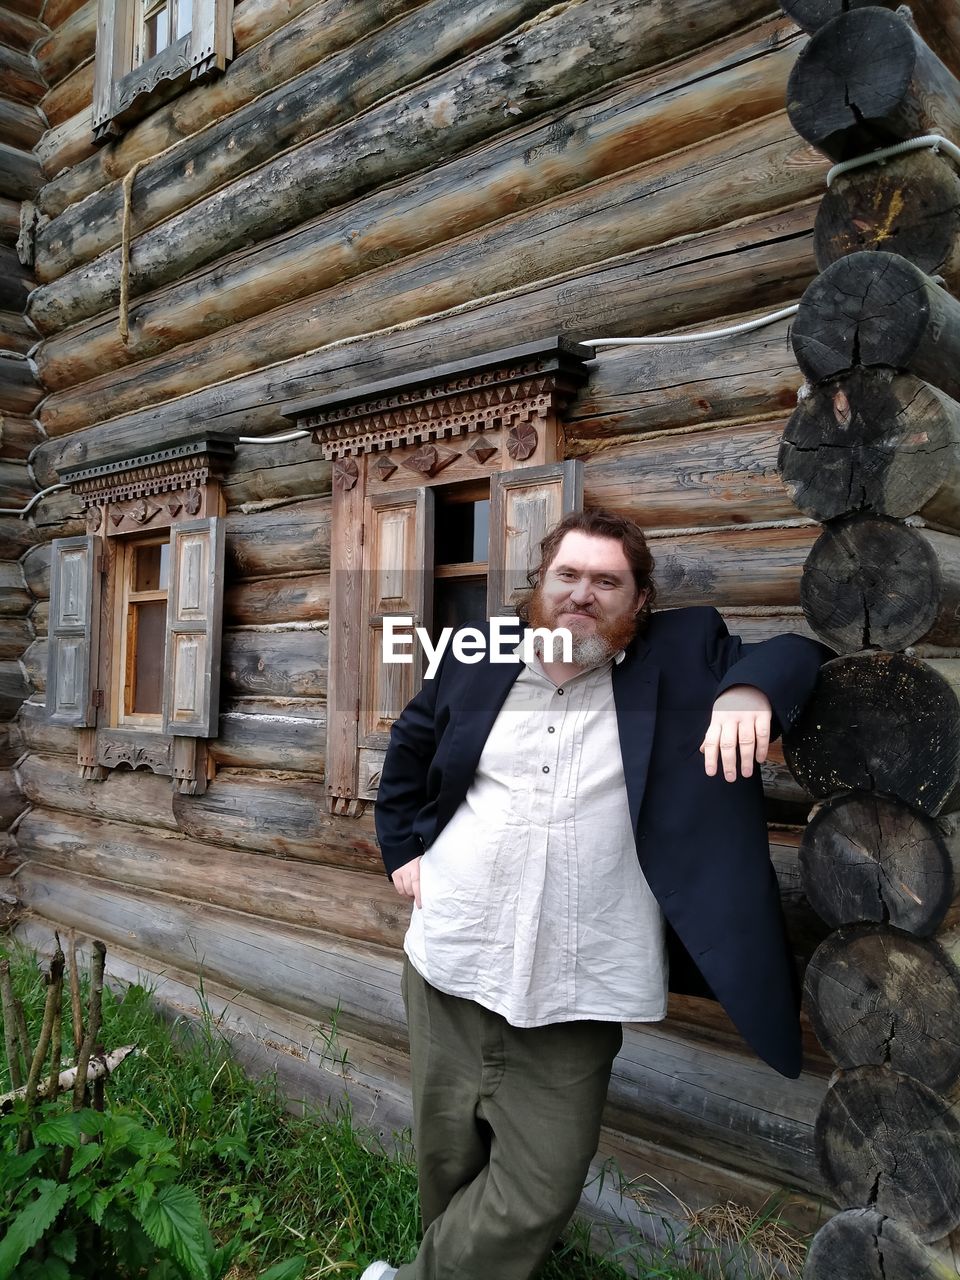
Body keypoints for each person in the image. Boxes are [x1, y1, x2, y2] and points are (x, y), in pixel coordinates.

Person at [363, 509, 829, 1280]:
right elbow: (411, 747)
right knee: (446, 1157)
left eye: (606, 581)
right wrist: (402, 851)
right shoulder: (477, 657)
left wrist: (748, 691)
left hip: (581, 982)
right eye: (568, 576)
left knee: (541, 1185)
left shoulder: (681, 657)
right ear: (540, 585)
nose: (583, 594)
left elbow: (800, 652)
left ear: (638, 600)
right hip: (452, 953)